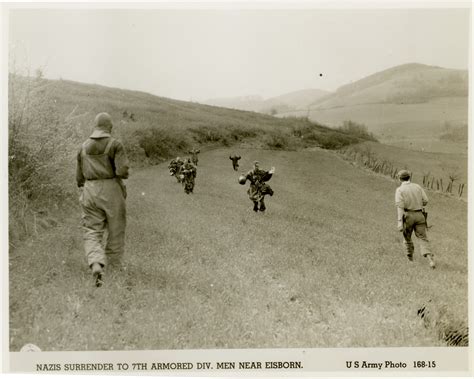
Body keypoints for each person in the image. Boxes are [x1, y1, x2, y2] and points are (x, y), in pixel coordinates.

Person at [76, 112, 130, 286]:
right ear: (110, 127)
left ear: (95, 126)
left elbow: (79, 178)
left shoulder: (83, 146)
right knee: (116, 229)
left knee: (92, 230)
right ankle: (114, 267)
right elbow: (122, 171)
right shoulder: (115, 144)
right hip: (111, 189)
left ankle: (96, 263)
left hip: (89, 190)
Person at [395, 169, 435, 268]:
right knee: (423, 238)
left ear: (399, 179)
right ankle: (430, 260)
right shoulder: (417, 186)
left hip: (408, 215)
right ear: (410, 177)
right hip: (420, 215)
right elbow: (425, 201)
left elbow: (400, 206)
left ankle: (410, 260)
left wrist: (400, 222)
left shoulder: (399, 190)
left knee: (407, 237)